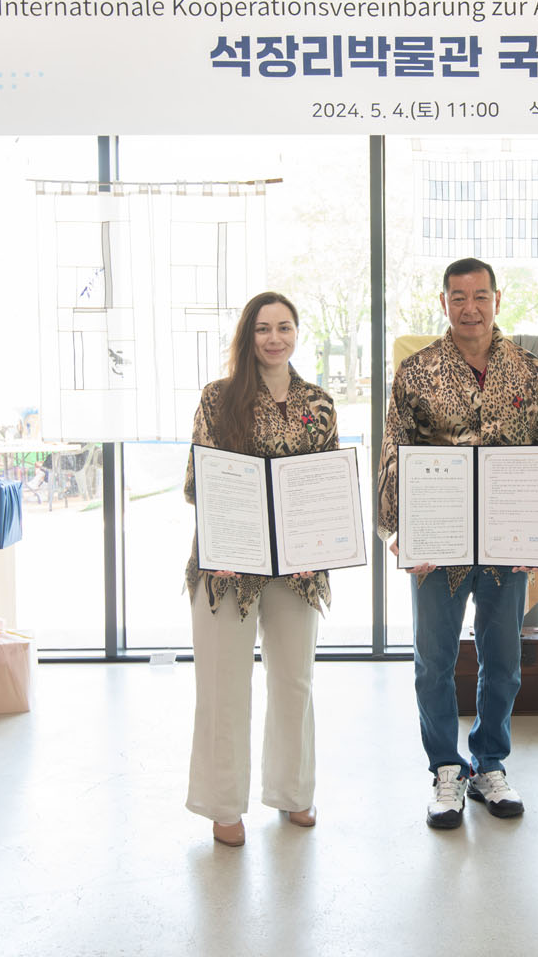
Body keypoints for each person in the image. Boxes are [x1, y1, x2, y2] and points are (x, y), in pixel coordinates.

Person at [378, 257, 538, 830]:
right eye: (458, 297)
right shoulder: (416, 372)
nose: (470, 307)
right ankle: (445, 770)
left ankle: (490, 763)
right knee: (433, 661)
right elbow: (394, 450)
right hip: (438, 542)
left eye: (480, 295)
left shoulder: (530, 373)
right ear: (443, 303)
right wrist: (399, 530)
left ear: (497, 300)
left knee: (503, 660)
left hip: (508, 541)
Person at [183, 291, 338, 847]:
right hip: (228, 564)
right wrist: (233, 524)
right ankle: (223, 805)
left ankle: (294, 792)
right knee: (223, 685)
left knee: (294, 681)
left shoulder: (319, 403)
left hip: (298, 565)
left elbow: (329, 483)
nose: (275, 338)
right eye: (263, 328)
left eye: (285, 327)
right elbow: (196, 483)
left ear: (297, 333)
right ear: (248, 336)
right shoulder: (218, 398)